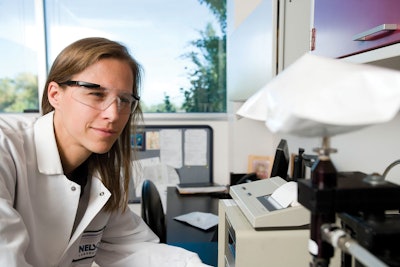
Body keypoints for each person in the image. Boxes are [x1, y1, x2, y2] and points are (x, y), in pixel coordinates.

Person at [0, 37, 210, 267]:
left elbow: (134, 249)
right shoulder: (6, 148)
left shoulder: (101, 177)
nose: (113, 114)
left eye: (124, 99)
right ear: (55, 94)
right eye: (96, 94)